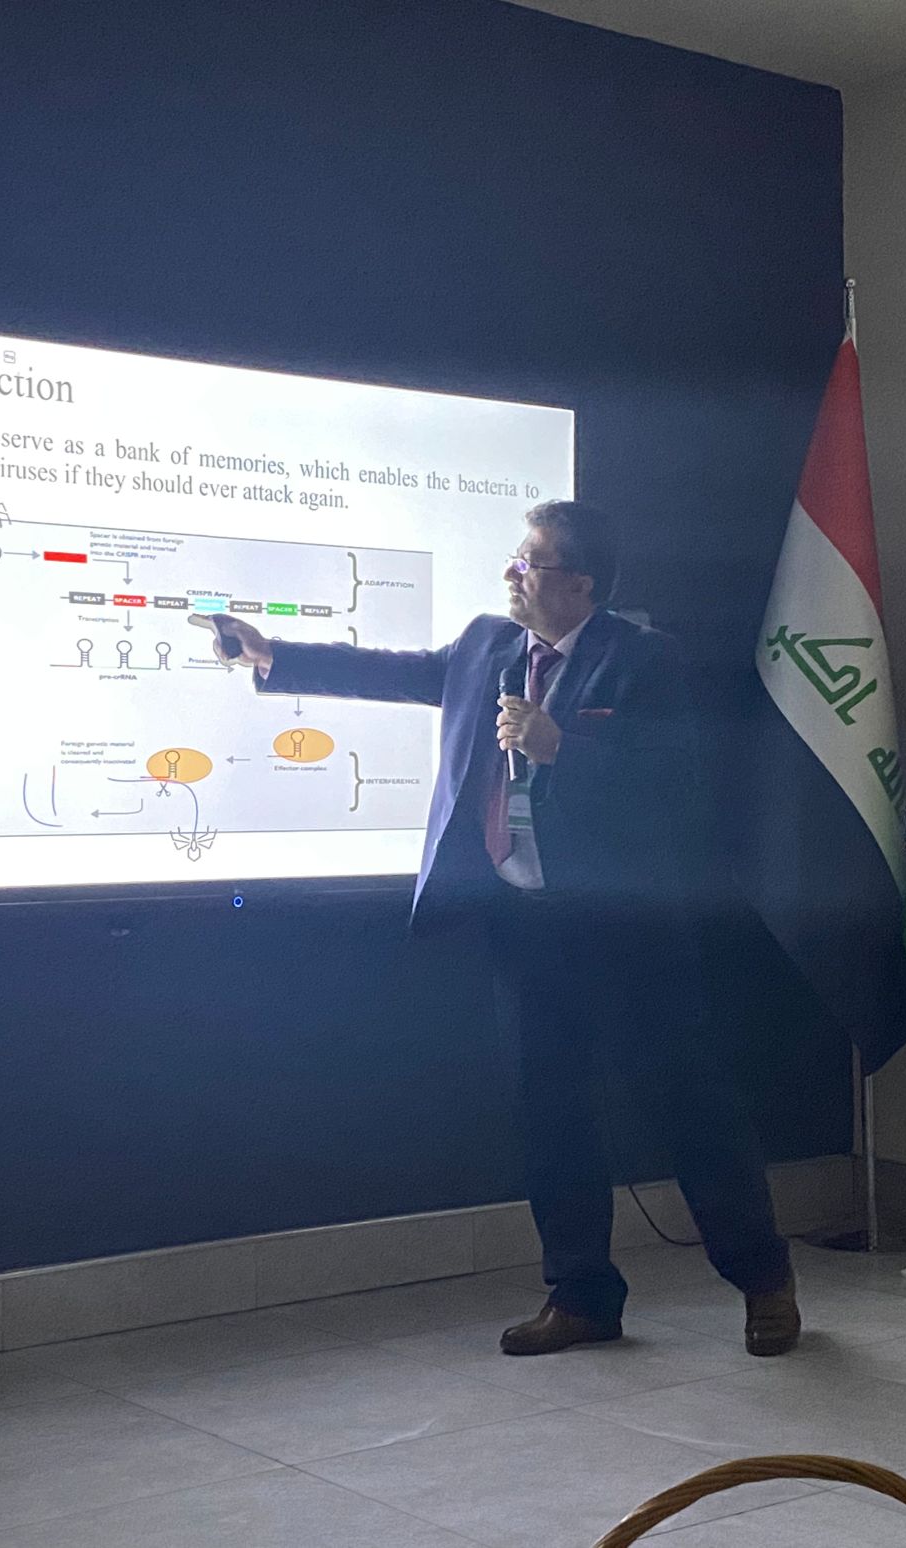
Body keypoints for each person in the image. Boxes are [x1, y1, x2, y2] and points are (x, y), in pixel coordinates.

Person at [210, 500, 800, 1356]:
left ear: (581, 584)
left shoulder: (645, 661)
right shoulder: (487, 645)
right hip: (524, 927)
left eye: (531, 562)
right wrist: (276, 655)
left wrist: (565, 748)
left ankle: (763, 1280)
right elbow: (402, 673)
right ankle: (583, 1295)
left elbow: (676, 785)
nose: (510, 574)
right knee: (549, 1114)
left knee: (687, 1107)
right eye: (516, 559)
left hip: (629, 934)